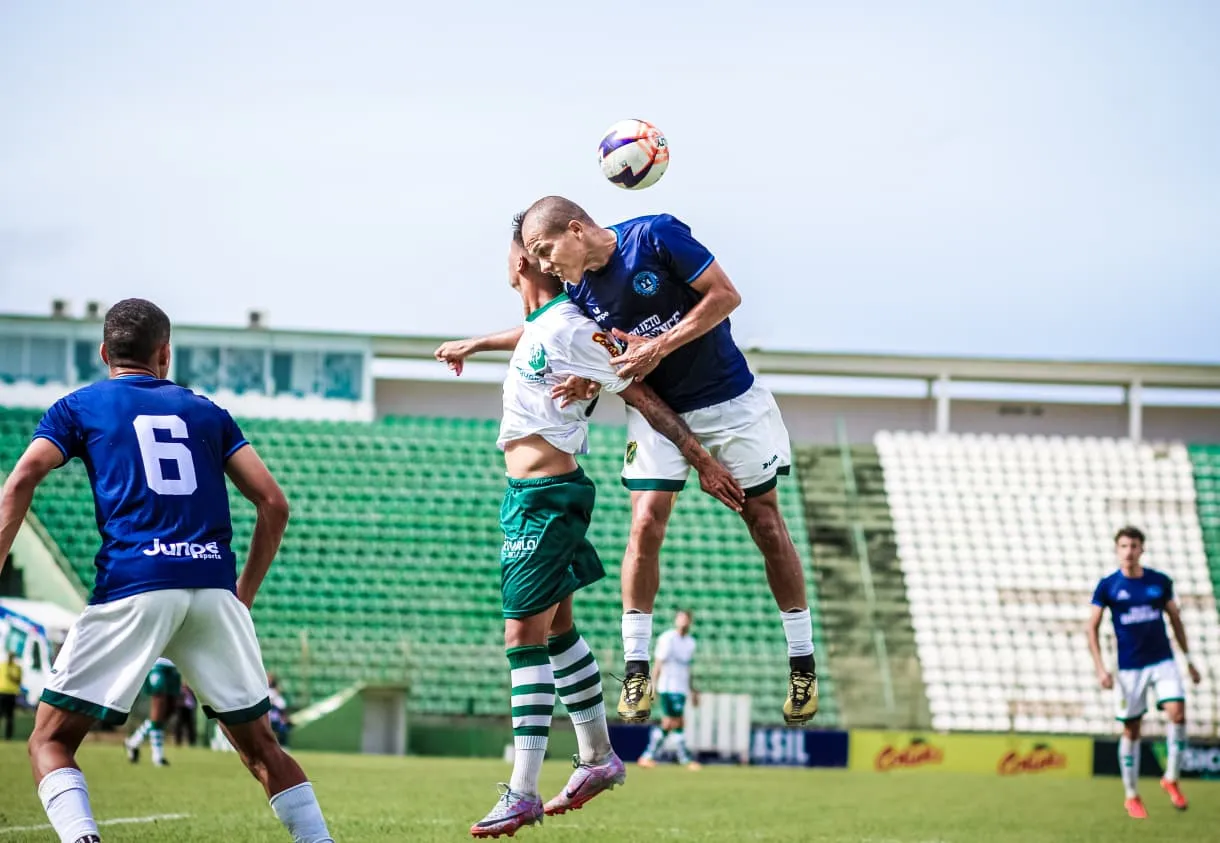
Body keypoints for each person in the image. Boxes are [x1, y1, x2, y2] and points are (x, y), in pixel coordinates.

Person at [436, 198, 819, 726]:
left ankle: (802, 661)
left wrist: (658, 346)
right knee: (644, 521)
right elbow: (550, 331)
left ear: (575, 230)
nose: (545, 266)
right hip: (660, 411)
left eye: (547, 251)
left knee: (766, 526)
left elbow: (725, 296)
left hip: (731, 401)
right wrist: (481, 344)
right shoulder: (576, 292)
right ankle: (637, 666)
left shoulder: (655, 236)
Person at [0, 298, 334, 843]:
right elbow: (274, 503)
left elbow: (20, 481)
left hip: (135, 584)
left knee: (50, 741)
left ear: (106, 352)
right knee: (262, 749)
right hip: (211, 590)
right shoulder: (206, 412)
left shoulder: (78, 407)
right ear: (165, 354)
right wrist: (241, 594)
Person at [452, 238, 745, 838]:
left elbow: (639, 392)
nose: (506, 263)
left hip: (546, 500)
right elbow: (534, 337)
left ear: (525, 261)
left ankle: (523, 790)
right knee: (557, 628)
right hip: (531, 498)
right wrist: (478, 343)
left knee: (521, 636)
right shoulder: (544, 325)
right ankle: (598, 757)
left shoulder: (566, 326)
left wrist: (698, 457)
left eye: (512, 252)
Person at [1087, 525, 1202, 819]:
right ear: (1117, 550)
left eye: (1134, 546)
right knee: (1131, 729)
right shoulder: (1108, 586)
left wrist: (1188, 659)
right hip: (1129, 668)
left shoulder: (1159, 582)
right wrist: (1100, 668)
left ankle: (1171, 777)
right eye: (1124, 546)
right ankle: (1131, 795)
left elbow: (1175, 619)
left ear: (1142, 549)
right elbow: (1091, 627)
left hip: (1162, 661)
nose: (1129, 551)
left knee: (1177, 712)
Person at [638, 609, 699, 770]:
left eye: (686, 618)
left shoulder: (691, 642)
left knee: (673, 723)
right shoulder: (667, 638)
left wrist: (692, 690)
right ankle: (682, 758)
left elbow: (688, 669)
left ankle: (649, 756)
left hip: (681, 688)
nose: (683, 621)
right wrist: (652, 683)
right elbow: (659, 663)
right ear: (676, 620)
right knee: (673, 722)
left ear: (690, 622)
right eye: (680, 618)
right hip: (667, 686)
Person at [125, 657, 181, 765]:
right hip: (157, 664)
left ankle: (134, 741)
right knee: (159, 706)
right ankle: (157, 756)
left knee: (169, 710)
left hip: (174, 665)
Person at [1, 650, 22, 740]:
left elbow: (18, 680)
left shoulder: (17, 667)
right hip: (1, 692)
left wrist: (11, 675)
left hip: (11, 693)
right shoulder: (2, 666)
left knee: (10, 716)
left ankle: (8, 737)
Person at [174, 683, 198, 747]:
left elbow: (195, 700)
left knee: (190, 726)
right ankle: (178, 742)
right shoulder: (180, 690)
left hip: (189, 709)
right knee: (179, 725)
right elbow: (177, 699)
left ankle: (192, 743)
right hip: (181, 709)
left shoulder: (191, 691)